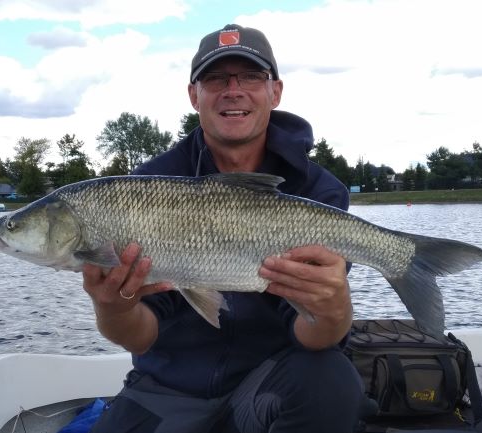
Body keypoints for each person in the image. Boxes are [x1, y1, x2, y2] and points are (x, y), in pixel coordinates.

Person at [84, 24, 363, 433]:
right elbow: (142, 337)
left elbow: (312, 335)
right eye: (215, 79)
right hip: (167, 388)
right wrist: (114, 308)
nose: (233, 90)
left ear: (275, 91)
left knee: (332, 379)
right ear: (194, 95)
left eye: (250, 76)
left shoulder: (317, 191)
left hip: (268, 384)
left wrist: (334, 311)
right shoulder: (146, 187)